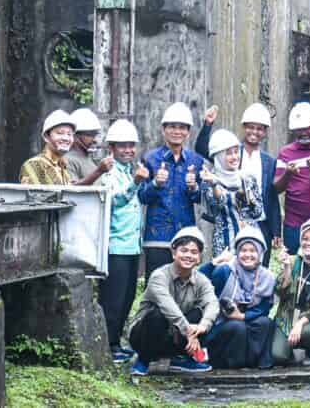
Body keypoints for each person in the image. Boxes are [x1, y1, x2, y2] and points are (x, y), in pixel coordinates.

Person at [196, 103, 282, 266]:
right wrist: (207, 125)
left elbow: (271, 196)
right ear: (244, 127)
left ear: (265, 132)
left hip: (258, 223)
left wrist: (276, 229)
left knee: (257, 270)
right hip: (228, 224)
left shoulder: (269, 161)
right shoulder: (228, 150)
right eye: (251, 127)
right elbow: (202, 148)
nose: (255, 132)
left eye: (260, 129)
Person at [128, 226, 218, 375]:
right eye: (184, 250)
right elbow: (168, 306)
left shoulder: (201, 281)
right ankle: (143, 360)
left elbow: (213, 303)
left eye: (194, 252)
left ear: (199, 257)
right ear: (173, 253)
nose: (188, 255)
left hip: (178, 335)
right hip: (145, 336)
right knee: (157, 315)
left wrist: (202, 326)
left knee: (199, 314)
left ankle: (181, 358)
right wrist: (188, 331)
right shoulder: (159, 276)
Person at [97, 119, 150, 363]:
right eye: (122, 146)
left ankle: (117, 341)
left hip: (131, 246)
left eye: (131, 145)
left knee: (128, 296)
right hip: (115, 246)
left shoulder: (130, 170)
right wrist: (136, 183)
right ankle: (108, 344)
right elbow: (114, 202)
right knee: (113, 299)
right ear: (112, 147)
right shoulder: (109, 172)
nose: (128, 150)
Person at [138, 103, 205, 280]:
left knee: (183, 286)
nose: (177, 131)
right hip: (157, 234)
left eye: (182, 127)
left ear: (188, 132)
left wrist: (194, 187)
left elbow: (200, 198)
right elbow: (142, 196)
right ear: (163, 129)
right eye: (172, 127)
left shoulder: (195, 161)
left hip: (185, 234)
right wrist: (156, 184)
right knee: (156, 285)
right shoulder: (151, 158)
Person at [199, 227, 277, 369]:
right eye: (243, 250)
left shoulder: (267, 277)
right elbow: (199, 280)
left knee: (265, 322)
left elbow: (265, 308)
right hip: (221, 322)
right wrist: (214, 262)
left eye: (252, 251)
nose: (248, 255)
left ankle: (255, 361)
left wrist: (242, 316)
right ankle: (232, 363)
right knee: (237, 327)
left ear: (260, 253)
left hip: (245, 318)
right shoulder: (225, 271)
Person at [271, 216, 310, 366]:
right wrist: (286, 269)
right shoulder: (293, 261)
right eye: (305, 238)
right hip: (287, 316)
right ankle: (289, 353)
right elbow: (280, 294)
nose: (308, 243)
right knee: (278, 357)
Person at [201, 129, 265, 258]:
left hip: (250, 242)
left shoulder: (247, 178)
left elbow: (257, 212)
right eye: (229, 154)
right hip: (225, 243)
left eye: (236, 152)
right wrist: (214, 184)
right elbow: (218, 205)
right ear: (218, 156)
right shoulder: (209, 180)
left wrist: (248, 194)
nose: (235, 157)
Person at [275, 103, 310, 255]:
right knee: (294, 265)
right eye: (299, 130)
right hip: (294, 223)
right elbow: (276, 187)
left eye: (307, 129)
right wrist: (288, 173)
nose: (303, 133)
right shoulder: (286, 153)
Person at [20, 110, 76, 185]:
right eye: (60, 133)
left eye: (69, 134)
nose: (66, 138)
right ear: (46, 137)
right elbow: (34, 195)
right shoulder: (34, 164)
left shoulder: (63, 167)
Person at [65, 108, 114, 186]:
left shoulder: (87, 157)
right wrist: (99, 171)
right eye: (90, 134)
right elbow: (71, 190)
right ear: (75, 135)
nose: (95, 140)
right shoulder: (68, 160)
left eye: (95, 134)